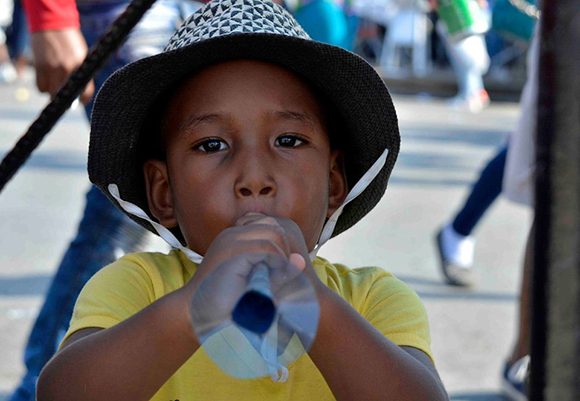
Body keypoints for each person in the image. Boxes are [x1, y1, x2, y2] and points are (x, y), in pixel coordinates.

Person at [35, 1, 449, 400]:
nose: (254, 178)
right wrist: (193, 308)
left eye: (289, 141)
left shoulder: (372, 298)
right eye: (212, 144)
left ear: (334, 182)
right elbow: (62, 392)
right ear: (163, 191)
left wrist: (317, 308)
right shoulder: (138, 287)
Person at [9, 1, 201, 400]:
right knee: (129, 201)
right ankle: (43, 378)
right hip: (119, 18)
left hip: (174, 13)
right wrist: (51, 12)